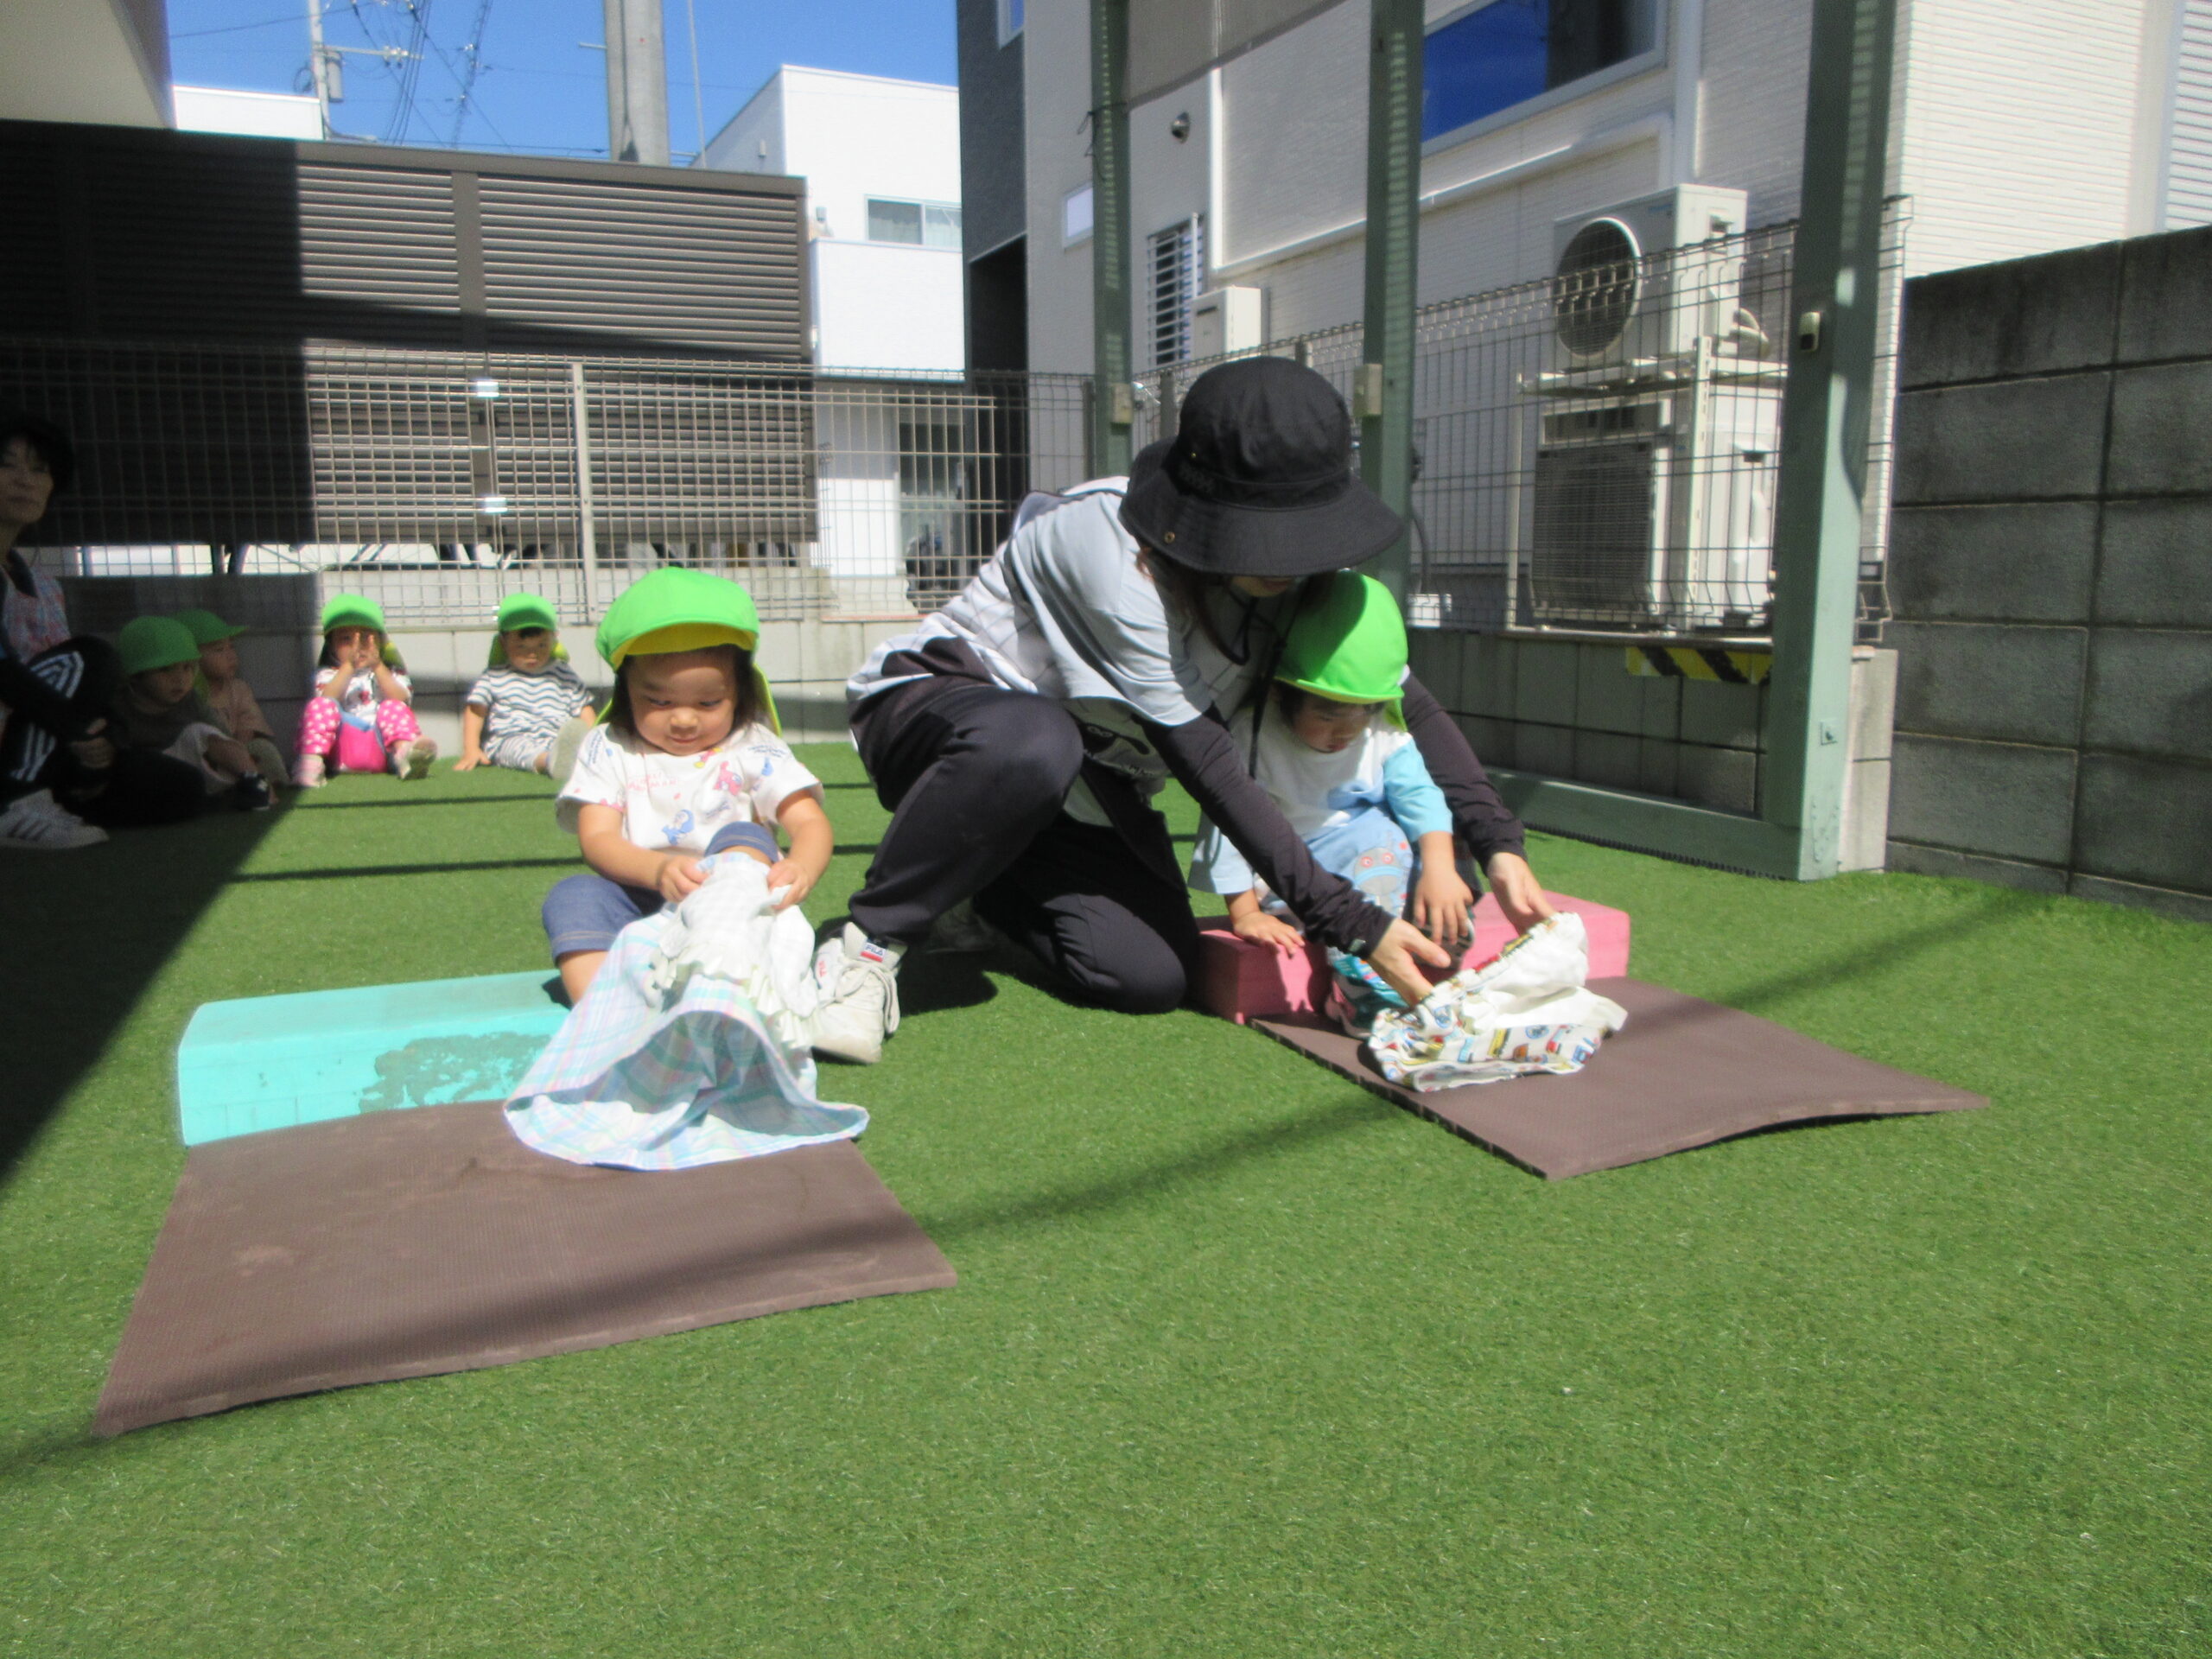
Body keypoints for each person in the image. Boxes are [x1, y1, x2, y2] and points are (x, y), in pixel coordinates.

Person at [813, 355, 1549, 1065]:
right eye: (1266, 528)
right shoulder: (1110, 552)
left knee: (1147, 975)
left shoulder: (1306, 577)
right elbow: (1208, 765)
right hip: (943, 712)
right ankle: (869, 944)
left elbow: (1406, 703)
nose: (1287, 555)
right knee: (1031, 743)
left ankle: (976, 884)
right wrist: (1352, 922)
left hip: (1090, 779)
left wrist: (1498, 842)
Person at [1190, 571, 1473, 1035]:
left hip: (1374, 858)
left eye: (1364, 711)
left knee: (1436, 840)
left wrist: (1440, 867)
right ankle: (1361, 993)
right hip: (1295, 872)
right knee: (1379, 842)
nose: (1347, 730)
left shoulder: (1382, 730)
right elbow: (1228, 823)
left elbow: (1419, 794)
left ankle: (1439, 929)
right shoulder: (1254, 738)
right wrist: (1245, 912)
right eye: (1327, 713)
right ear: (1280, 692)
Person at [543, 568, 834, 1004]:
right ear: (626, 690)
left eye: (708, 702)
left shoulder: (752, 745)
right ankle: (605, 1006)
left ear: (740, 693)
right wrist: (657, 871)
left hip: (730, 901)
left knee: (746, 835)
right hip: (639, 895)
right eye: (658, 701)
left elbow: (809, 822)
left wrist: (802, 867)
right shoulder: (611, 746)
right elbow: (598, 837)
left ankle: (721, 985)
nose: (682, 718)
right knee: (573, 895)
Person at [0, 413, 192, 848]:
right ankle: (15, 802)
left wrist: (105, 737)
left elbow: (68, 680)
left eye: (39, 469)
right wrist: (78, 728)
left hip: (46, 736)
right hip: (25, 736)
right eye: (7, 464)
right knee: (92, 657)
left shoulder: (44, 585)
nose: (25, 480)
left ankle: (57, 796)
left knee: (179, 787)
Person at [106, 615, 273, 811]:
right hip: (144, 778)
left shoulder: (191, 700)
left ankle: (257, 785)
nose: (180, 679)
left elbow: (224, 739)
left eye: (187, 668)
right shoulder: (117, 706)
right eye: (165, 669)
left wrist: (247, 767)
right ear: (135, 675)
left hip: (189, 770)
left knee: (200, 732)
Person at [292, 595, 437, 786]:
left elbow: (402, 698)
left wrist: (378, 666)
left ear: (380, 641)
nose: (357, 646)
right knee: (319, 705)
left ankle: (405, 756)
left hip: (382, 748)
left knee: (394, 706)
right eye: (346, 639)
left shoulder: (391, 672)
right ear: (331, 646)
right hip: (340, 748)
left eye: (366, 637)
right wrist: (349, 666)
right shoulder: (328, 674)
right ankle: (310, 765)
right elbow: (327, 697)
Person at [454, 593, 594, 778]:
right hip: (512, 737)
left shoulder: (564, 674)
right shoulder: (495, 676)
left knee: (577, 747)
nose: (532, 654)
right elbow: (475, 711)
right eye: (522, 647)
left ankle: (569, 758)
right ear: (503, 643)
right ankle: (549, 762)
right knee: (518, 749)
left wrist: (592, 739)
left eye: (541, 646)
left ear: (554, 638)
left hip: (558, 736)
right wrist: (471, 749)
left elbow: (583, 708)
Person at [175, 607, 288, 792]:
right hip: (204, 759)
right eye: (219, 649)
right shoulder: (184, 695)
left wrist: (238, 754)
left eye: (232, 647)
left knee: (262, 747)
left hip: (239, 754)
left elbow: (248, 726)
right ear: (191, 658)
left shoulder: (238, 689)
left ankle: (279, 787)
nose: (231, 655)